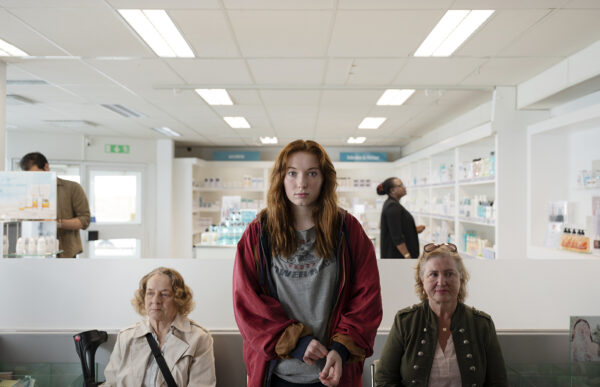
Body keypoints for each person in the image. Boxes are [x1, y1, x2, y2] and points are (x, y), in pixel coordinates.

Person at [233, 139, 383, 387]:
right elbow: (248, 304)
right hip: (275, 373)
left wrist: (341, 348)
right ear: (281, 177)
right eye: (292, 173)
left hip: (334, 372)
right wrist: (296, 341)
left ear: (324, 179)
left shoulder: (348, 230)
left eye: (311, 173)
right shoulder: (258, 234)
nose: (301, 183)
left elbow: (366, 297)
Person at [375, 243, 507, 386]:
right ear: (422, 280)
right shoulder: (406, 322)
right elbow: (384, 380)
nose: (441, 282)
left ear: (460, 278)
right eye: (433, 274)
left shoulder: (482, 325)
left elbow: (498, 382)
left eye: (449, 274)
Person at [103, 267, 216, 386]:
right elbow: (111, 383)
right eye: (150, 293)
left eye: (165, 294)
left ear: (178, 299)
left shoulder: (199, 338)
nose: (156, 300)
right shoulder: (125, 337)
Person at [19, 152, 90, 258]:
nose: (33, 178)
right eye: (29, 176)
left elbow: (85, 220)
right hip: (33, 255)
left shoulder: (72, 188)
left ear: (46, 167)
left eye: (36, 174)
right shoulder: (25, 192)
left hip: (66, 254)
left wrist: (57, 223)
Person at [377, 177, 425, 258]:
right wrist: (407, 256)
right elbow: (396, 236)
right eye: (401, 185)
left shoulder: (393, 204)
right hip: (397, 258)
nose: (404, 187)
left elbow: (396, 228)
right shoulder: (392, 206)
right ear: (392, 190)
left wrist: (414, 230)